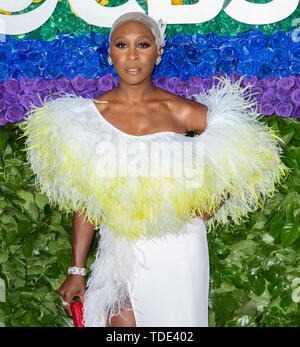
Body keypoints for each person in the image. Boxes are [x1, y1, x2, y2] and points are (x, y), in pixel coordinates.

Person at [22, 12, 287, 327]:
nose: (132, 55)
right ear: (110, 54)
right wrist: (76, 269)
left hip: (179, 247)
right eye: (122, 45)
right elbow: (86, 203)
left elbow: (245, 151)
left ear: (158, 53)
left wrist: (213, 197)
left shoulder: (181, 111)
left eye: (143, 45)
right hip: (118, 250)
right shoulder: (86, 118)